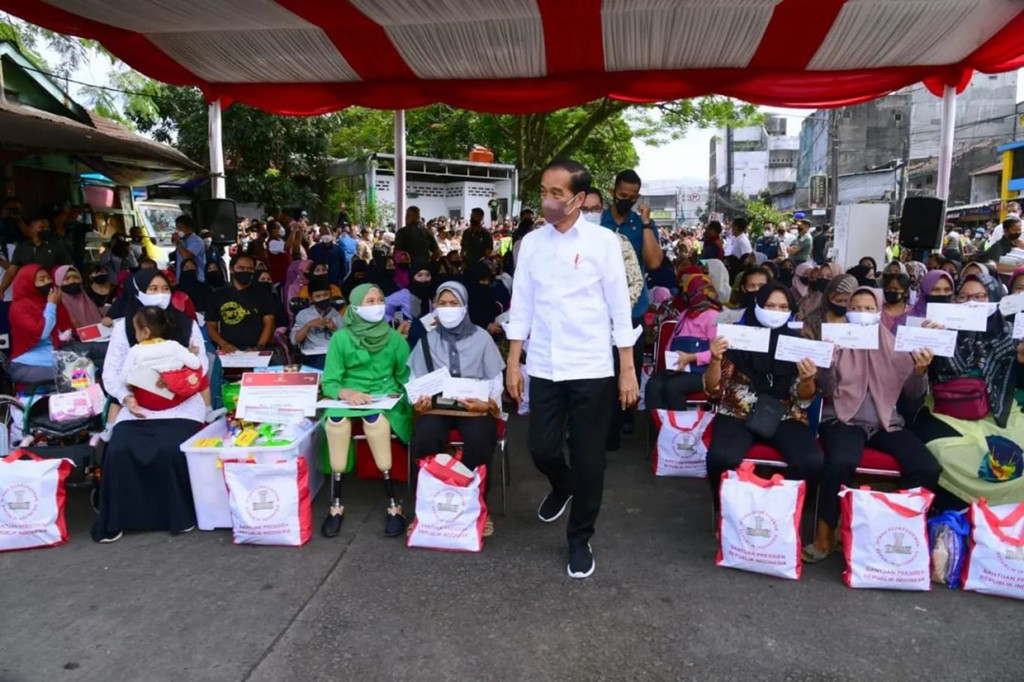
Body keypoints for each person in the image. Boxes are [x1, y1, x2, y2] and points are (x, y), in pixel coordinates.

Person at [506, 159, 638, 579]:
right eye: (543, 191)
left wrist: (627, 369)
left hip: (592, 368)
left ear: (579, 199)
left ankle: (579, 538)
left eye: (556, 194)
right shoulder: (530, 243)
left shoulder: (604, 243)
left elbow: (620, 308)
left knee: (589, 459)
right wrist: (514, 360)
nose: (546, 200)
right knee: (541, 448)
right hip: (544, 365)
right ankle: (560, 484)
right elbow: (521, 305)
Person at [805, 287, 939, 562]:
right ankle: (824, 534)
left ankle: (895, 528)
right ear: (847, 310)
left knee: (926, 466)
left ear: (879, 312)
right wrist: (828, 361)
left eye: (869, 309)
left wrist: (920, 371)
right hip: (843, 418)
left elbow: (912, 395)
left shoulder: (895, 345)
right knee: (840, 460)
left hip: (885, 422)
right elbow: (827, 390)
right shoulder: (836, 339)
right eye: (856, 308)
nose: (863, 314)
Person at [94, 269, 208, 542]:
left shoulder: (186, 323)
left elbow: (200, 364)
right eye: (152, 289)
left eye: (164, 288)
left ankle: (178, 516)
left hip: (182, 403)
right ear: (138, 290)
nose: (159, 294)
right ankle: (119, 518)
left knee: (171, 448)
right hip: (137, 405)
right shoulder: (124, 328)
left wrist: (176, 381)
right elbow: (112, 372)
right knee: (120, 449)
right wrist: (126, 398)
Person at [703, 281, 823, 506]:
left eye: (782, 307)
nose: (775, 312)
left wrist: (808, 379)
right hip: (737, 411)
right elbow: (713, 388)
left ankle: (778, 511)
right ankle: (728, 513)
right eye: (769, 305)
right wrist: (715, 361)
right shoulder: (735, 339)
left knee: (811, 460)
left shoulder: (797, 344)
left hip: (785, 413)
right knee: (721, 457)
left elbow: (803, 397)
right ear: (756, 305)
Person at [911, 272, 1024, 508]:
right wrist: (924, 357)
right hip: (948, 411)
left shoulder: (1011, 335)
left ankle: (1006, 524)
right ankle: (955, 517)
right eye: (963, 297)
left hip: (998, 410)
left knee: (1014, 452)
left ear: (993, 298)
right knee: (947, 452)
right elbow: (912, 389)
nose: (972, 303)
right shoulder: (940, 331)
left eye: (980, 297)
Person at [408, 282, 505, 535]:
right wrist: (419, 400)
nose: (448, 309)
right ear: (435, 307)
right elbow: (414, 378)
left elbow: (495, 380)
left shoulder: (482, 338)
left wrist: (487, 403)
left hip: (474, 407)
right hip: (437, 408)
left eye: (454, 304)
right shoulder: (427, 340)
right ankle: (428, 507)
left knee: (480, 437)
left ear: (464, 307)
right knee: (426, 435)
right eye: (443, 304)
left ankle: (476, 504)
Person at [320, 283, 414, 538]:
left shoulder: (394, 338)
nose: (376, 306)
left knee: (377, 423)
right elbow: (329, 381)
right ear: (356, 307)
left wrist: (402, 397)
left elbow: (405, 376)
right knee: (335, 423)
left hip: (385, 396)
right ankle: (336, 504)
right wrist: (346, 393)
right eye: (369, 301)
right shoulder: (341, 339)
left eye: (379, 300)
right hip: (349, 397)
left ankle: (394, 505)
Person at [645, 274, 720, 410]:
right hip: (678, 368)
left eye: (692, 293)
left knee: (672, 388)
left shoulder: (713, 316)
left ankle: (680, 428)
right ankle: (659, 426)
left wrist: (691, 358)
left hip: (702, 373)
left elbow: (716, 353)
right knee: (653, 385)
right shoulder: (684, 314)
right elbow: (671, 342)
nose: (688, 297)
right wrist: (671, 363)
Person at [118, 305, 206, 409]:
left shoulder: (135, 351)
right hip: (174, 397)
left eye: (136, 330)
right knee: (204, 379)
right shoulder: (174, 346)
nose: (135, 334)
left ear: (146, 332)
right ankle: (208, 409)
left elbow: (123, 379)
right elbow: (196, 365)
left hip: (146, 400)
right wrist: (190, 353)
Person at [8, 265, 71, 384]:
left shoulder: (43, 301)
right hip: (27, 365)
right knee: (73, 377)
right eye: (42, 280)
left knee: (90, 368)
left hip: (53, 358)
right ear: (28, 284)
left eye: (48, 278)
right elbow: (42, 332)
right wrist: (52, 305)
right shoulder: (19, 307)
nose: (48, 282)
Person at [205, 254, 275, 354]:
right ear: (231, 269)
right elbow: (211, 326)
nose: (245, 271)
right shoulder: (217, 296)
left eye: (250, 268)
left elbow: (269, 324)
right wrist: (224, 344)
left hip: (257, 352)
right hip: (229, 352)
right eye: (241, 268)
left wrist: (258, 347)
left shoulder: (263, 294)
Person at [0, 208, 72, 298]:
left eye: (48, 228)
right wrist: (2, 289)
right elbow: (11, 271)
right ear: (31, 229)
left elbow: (68, 269)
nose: (46, 230)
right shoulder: (22, 248)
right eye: (41, 228)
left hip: (52, 292)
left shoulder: (57, 246)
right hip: (28, 293)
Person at [291, 277, 343, 369]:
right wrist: (308, 326)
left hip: (334, 352)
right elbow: (294, 341)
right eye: (318, 297)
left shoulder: (337, 314)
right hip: (312, 355)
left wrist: (334, 329)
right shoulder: (303, 314)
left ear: (330, 295)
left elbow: (345, 341)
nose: (322, 299)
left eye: (325, 295)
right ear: (311, 298)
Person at [800, 274, 858, 340]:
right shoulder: (813, 321)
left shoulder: (857, 320)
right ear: (829, 298)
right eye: (838, 301)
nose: (843, 304)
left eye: (847, 301)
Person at [54, 265, 102, 331]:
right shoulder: (58, 303)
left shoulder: (88, 296)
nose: (72, 281)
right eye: (66, 279)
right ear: (59, 282)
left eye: (76, 278)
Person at [172, 215, 206, 284]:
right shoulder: (182, 241)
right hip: (181, 279)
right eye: (177, 228)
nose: (178, 231)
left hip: (196, 279)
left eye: (180, 228)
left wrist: (178, 243)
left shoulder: (197, 241)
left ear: (189, 228)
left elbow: (187, 256)